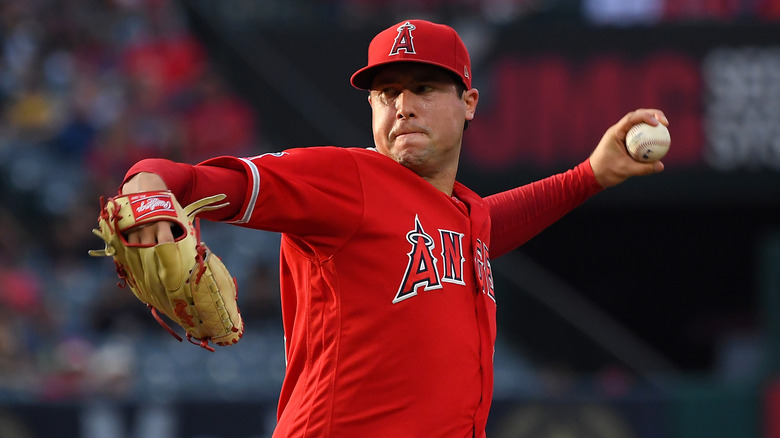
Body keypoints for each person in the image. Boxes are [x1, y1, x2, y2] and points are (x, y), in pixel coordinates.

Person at [118, 19, 667, 438]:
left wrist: (589, 176)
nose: (403, 106)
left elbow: (488, 227)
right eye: (387, 93)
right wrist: (146, 189)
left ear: (469, 103)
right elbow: (200, 180)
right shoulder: (346, 179)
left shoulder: (462, 213)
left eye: (424, 88)